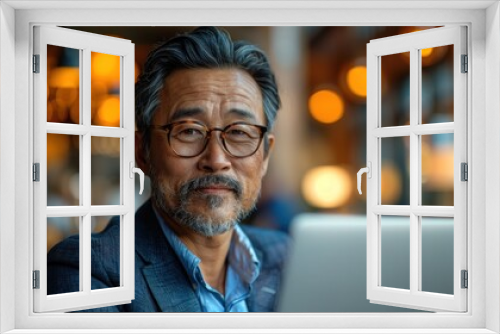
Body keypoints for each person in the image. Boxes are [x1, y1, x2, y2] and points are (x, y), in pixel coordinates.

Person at [47, 27, 289, 312]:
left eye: (239, 132)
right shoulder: (89, 273)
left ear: (265, 155)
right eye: (188, 131)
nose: (216, 158)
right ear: (143, 152)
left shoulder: (287, 256)